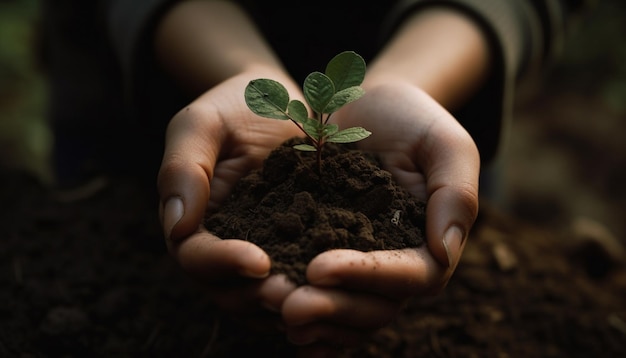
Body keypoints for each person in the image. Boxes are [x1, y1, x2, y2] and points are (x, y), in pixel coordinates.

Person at [41, 0, 591, 355]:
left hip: (442, 88)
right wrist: (239, 72)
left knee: (433, 216)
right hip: (137, 88)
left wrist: (408, 80)